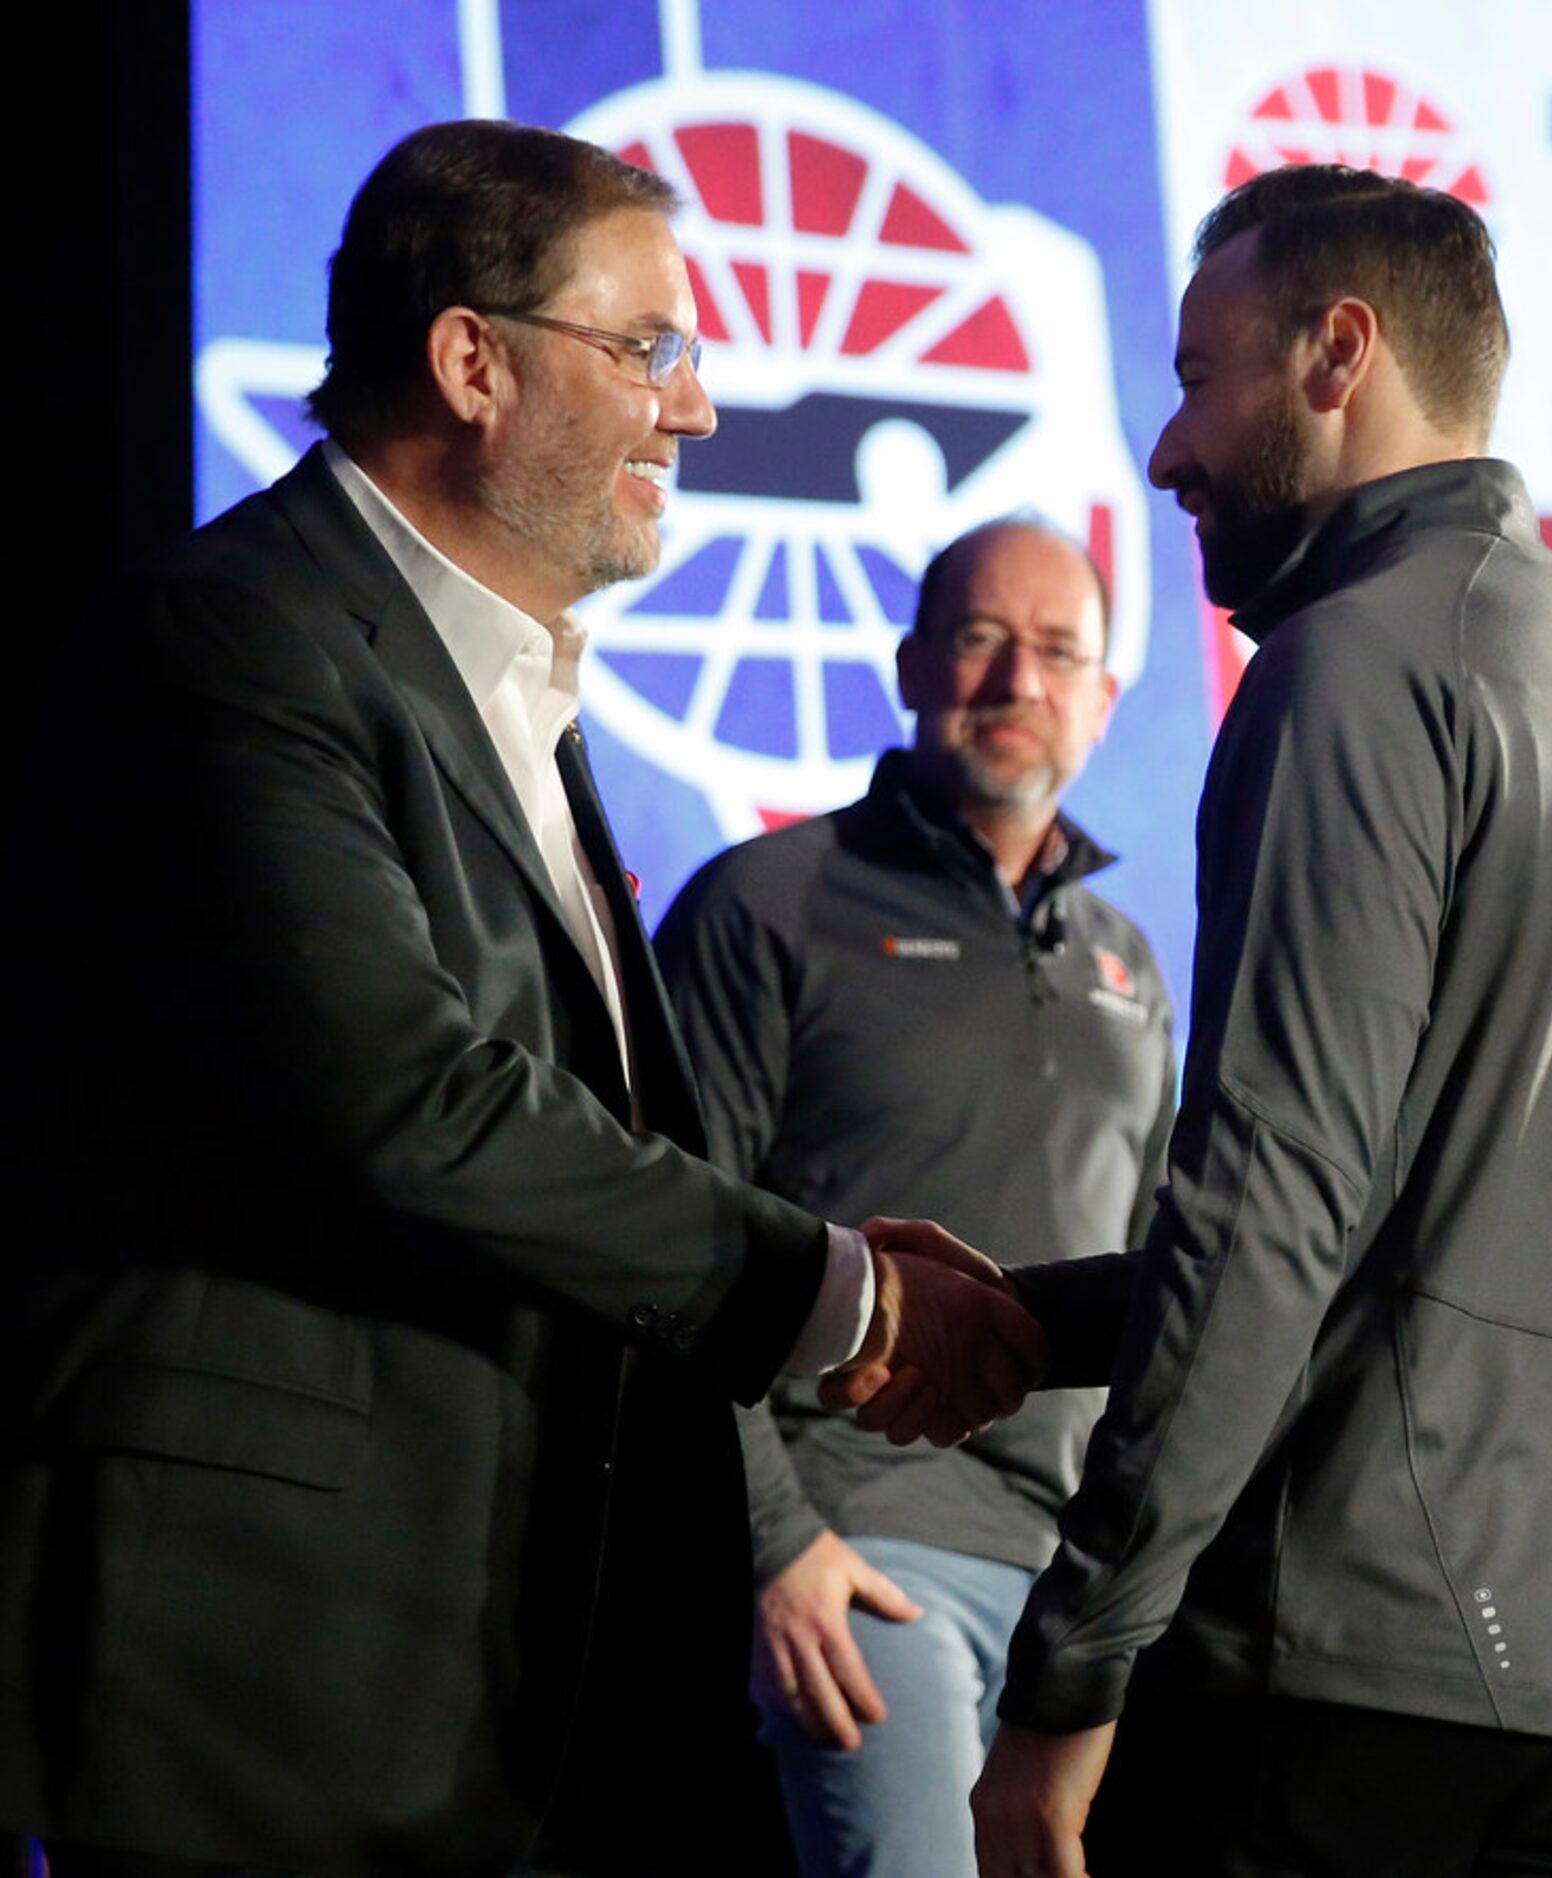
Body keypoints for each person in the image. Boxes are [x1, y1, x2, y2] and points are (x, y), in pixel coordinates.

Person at [0, 119, 1041, 1878]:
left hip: (488, 1683)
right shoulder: (240, 640)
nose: (695, 410)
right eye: (648, 350)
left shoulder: (509, 685)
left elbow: (591, 1134)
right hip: (262, 1683)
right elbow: (409, 1098)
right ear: (471, 361)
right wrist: (836, 1294)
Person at [953, 165, 1552, 1877]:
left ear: (1338, 354)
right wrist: (1029, 1319)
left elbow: (1275, 1208)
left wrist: (1071, 1664)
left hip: (1362, 1673)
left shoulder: (1356, 663)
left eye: (1195, 375)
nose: (1167, 451)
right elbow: (1440, 1223)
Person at [654, 518, 1176, 1878]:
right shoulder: (766, 905)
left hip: (1075, 1596)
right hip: (864, 1546)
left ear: (1105, 698)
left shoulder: (1130, 968)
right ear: (908, 663)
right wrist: (778, 1543)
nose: (1018, 680)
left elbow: (1169, 1285)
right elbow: (662, 1249)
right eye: (980, 639)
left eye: (1059, 651)